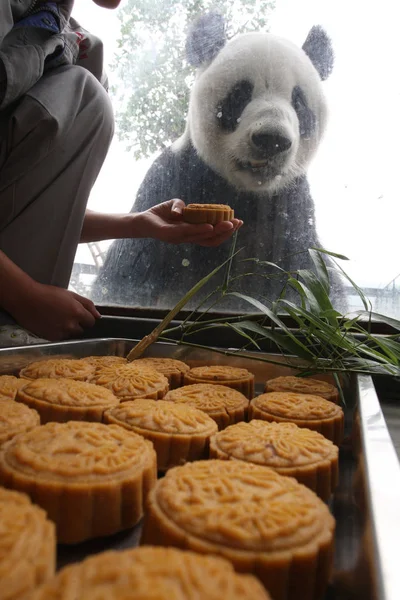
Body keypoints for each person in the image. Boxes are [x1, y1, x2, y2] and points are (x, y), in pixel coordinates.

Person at [0, 0, 242, 347]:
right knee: (84, 94)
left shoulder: (69, 43)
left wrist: (138, 225)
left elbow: (29, 210)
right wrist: (24, 297)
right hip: (13, 310)